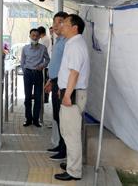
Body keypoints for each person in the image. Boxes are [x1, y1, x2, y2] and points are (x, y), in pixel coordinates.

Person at [54, 14, 90, 182]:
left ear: (75, 28)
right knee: (67, 131)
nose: (61, 26)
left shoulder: (75, 45)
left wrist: (67, 94)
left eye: (65, 23)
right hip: (69, 92)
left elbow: (74, 73)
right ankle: (71, 163)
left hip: (73, 94)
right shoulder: (72, 43)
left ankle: (74, 171)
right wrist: (62, 90)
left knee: (71, 134)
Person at [45, 12, 69, 160]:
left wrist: (60, 85)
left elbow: (66, 66)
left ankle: (64, 150)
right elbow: (56, 63)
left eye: (60, 21)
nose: (55, 25)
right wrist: (50, 79)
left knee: (62, 118)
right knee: (57, 116)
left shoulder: (67, 42)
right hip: (55, 81)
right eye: (54, 22)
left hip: (61, 83)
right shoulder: (58, 40)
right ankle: (60, 144)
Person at [21, 28, 50, 127]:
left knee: (38, 98)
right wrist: (25, 71)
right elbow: (22, 62)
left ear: (39, 37)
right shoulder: (25, 48)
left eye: (37, 36)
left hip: (38, 74)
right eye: (33, 35)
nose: (35, 37)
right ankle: (28, 119)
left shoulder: (43, 48)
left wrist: (42, 66)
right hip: (28, 74)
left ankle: (36, 120)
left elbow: (47, 60)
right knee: (27, 97)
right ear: (30, 36)